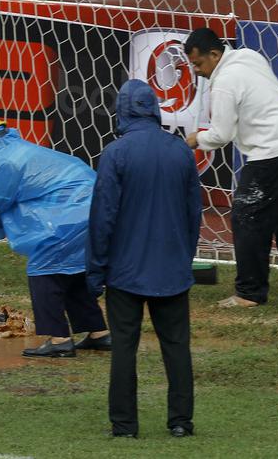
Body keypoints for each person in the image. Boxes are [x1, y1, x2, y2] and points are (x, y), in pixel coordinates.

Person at [87, 80, 203, 439]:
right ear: (154, 109)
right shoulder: (181, 152)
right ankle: (181, 421)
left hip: (125, 271)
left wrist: (95, 271)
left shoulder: (115, 153)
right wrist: (183, 257)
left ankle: (124, 425)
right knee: (177, 346)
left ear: (122, 110)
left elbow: (102, 217)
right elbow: (193, 214)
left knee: (124, 347)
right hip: (171, 269)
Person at [0, 115, 110, 358]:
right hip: (91, 211)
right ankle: (99, 333)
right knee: (70, 272)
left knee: (43, 271)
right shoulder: (21, 152)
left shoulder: (5, 161)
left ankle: (59, 340)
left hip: (71, 215)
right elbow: (15, 210)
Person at [182, 28, 278, 307]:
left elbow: (221, 135)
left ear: (214, 54)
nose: (196, 71)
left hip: (271, 150)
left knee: (247, 217)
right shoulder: (249, 56)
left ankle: (249, 292)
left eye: (198, 64)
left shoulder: (224, 82)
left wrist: (195, 139)